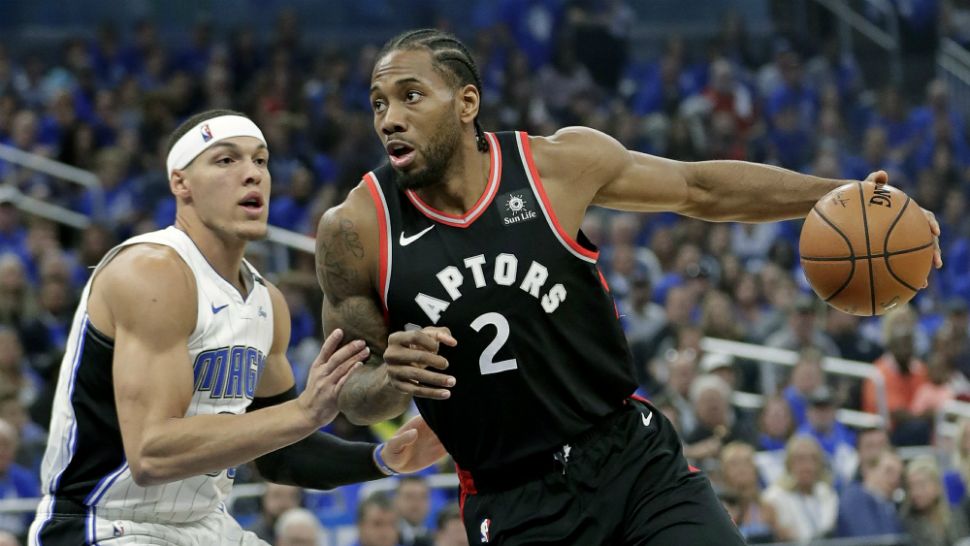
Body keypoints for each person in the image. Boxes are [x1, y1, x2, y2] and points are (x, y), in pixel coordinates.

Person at [316, 28, 942, 545]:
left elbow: (700, 188)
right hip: (513, 500)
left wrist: (839, 196)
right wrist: (392, 378)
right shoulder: (354, 230)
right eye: (378, 103)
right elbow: (352, 396)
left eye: (410, 95)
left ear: (467, 103)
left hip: (631, 460)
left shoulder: (554, 166)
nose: (390, 118)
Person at [29, 109, 446, 546]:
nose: (252, 174)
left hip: (206, 524)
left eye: (261, 161)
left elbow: (281, 452)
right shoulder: (151, 270)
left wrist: (383, 459)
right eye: (226, 160)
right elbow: (151, 452)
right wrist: (305, 411)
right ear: (180, 183)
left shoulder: (267, 303)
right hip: (105, 524)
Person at [835, 449, 904, 538]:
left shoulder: (890, 505)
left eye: (899, 475)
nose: (895, 479)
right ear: (868, 470)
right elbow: (868, 539)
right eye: (889, 471)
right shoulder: (854, 497)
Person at [394, 476, 432, 546]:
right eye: (409, 496)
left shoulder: (436, 536)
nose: (416, 503)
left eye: (423, 496)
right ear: (396, 501)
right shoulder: (386, 537)